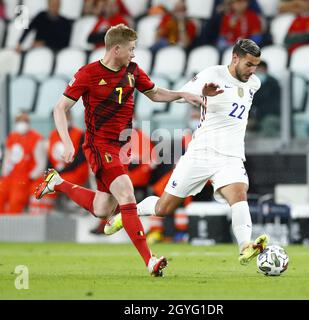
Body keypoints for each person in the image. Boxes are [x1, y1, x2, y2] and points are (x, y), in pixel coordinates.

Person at [34, 24, 208, 277]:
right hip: (99, 145)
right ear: (116, 49)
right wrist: (68, 142)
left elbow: (156, 93)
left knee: (103, 209)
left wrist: (182, 94)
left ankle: (57, 182)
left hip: (121, 146)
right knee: (127, 196)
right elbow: (60, 109)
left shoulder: (133, 71)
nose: (134, 54)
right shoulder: (88, 73)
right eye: (131, 49)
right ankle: (150, 260)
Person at [107, 39, 269, 266]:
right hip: (200, 153)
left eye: (256, 66)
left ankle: (245, 246)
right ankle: (126, 214)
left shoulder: (254, 83)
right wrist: (203, 93)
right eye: (249, 64)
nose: (252, 71)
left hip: (230, 155)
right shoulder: (212, 74)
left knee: (239, 195)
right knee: (164, 208)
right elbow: (185, 94)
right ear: (235, 58)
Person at [0, 112, 46, 214]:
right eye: (19, 121)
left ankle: (12, 224)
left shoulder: (36, 139)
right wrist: (4, 173)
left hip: (25, 179)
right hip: (10, 177)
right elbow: (7, 159)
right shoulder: (12, 137)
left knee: (15, 200)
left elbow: (41, 164)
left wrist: (30, 177)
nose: (21, 124)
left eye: (23, 121)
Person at [248, 60, 281, 137]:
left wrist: (256, 119)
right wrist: (249, 118)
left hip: (272, 116)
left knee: (268, 122)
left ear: (265, 70)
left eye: (260, 69)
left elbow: (272, 106)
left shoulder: (273, 83)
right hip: (257, 117)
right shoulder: (251, 84)